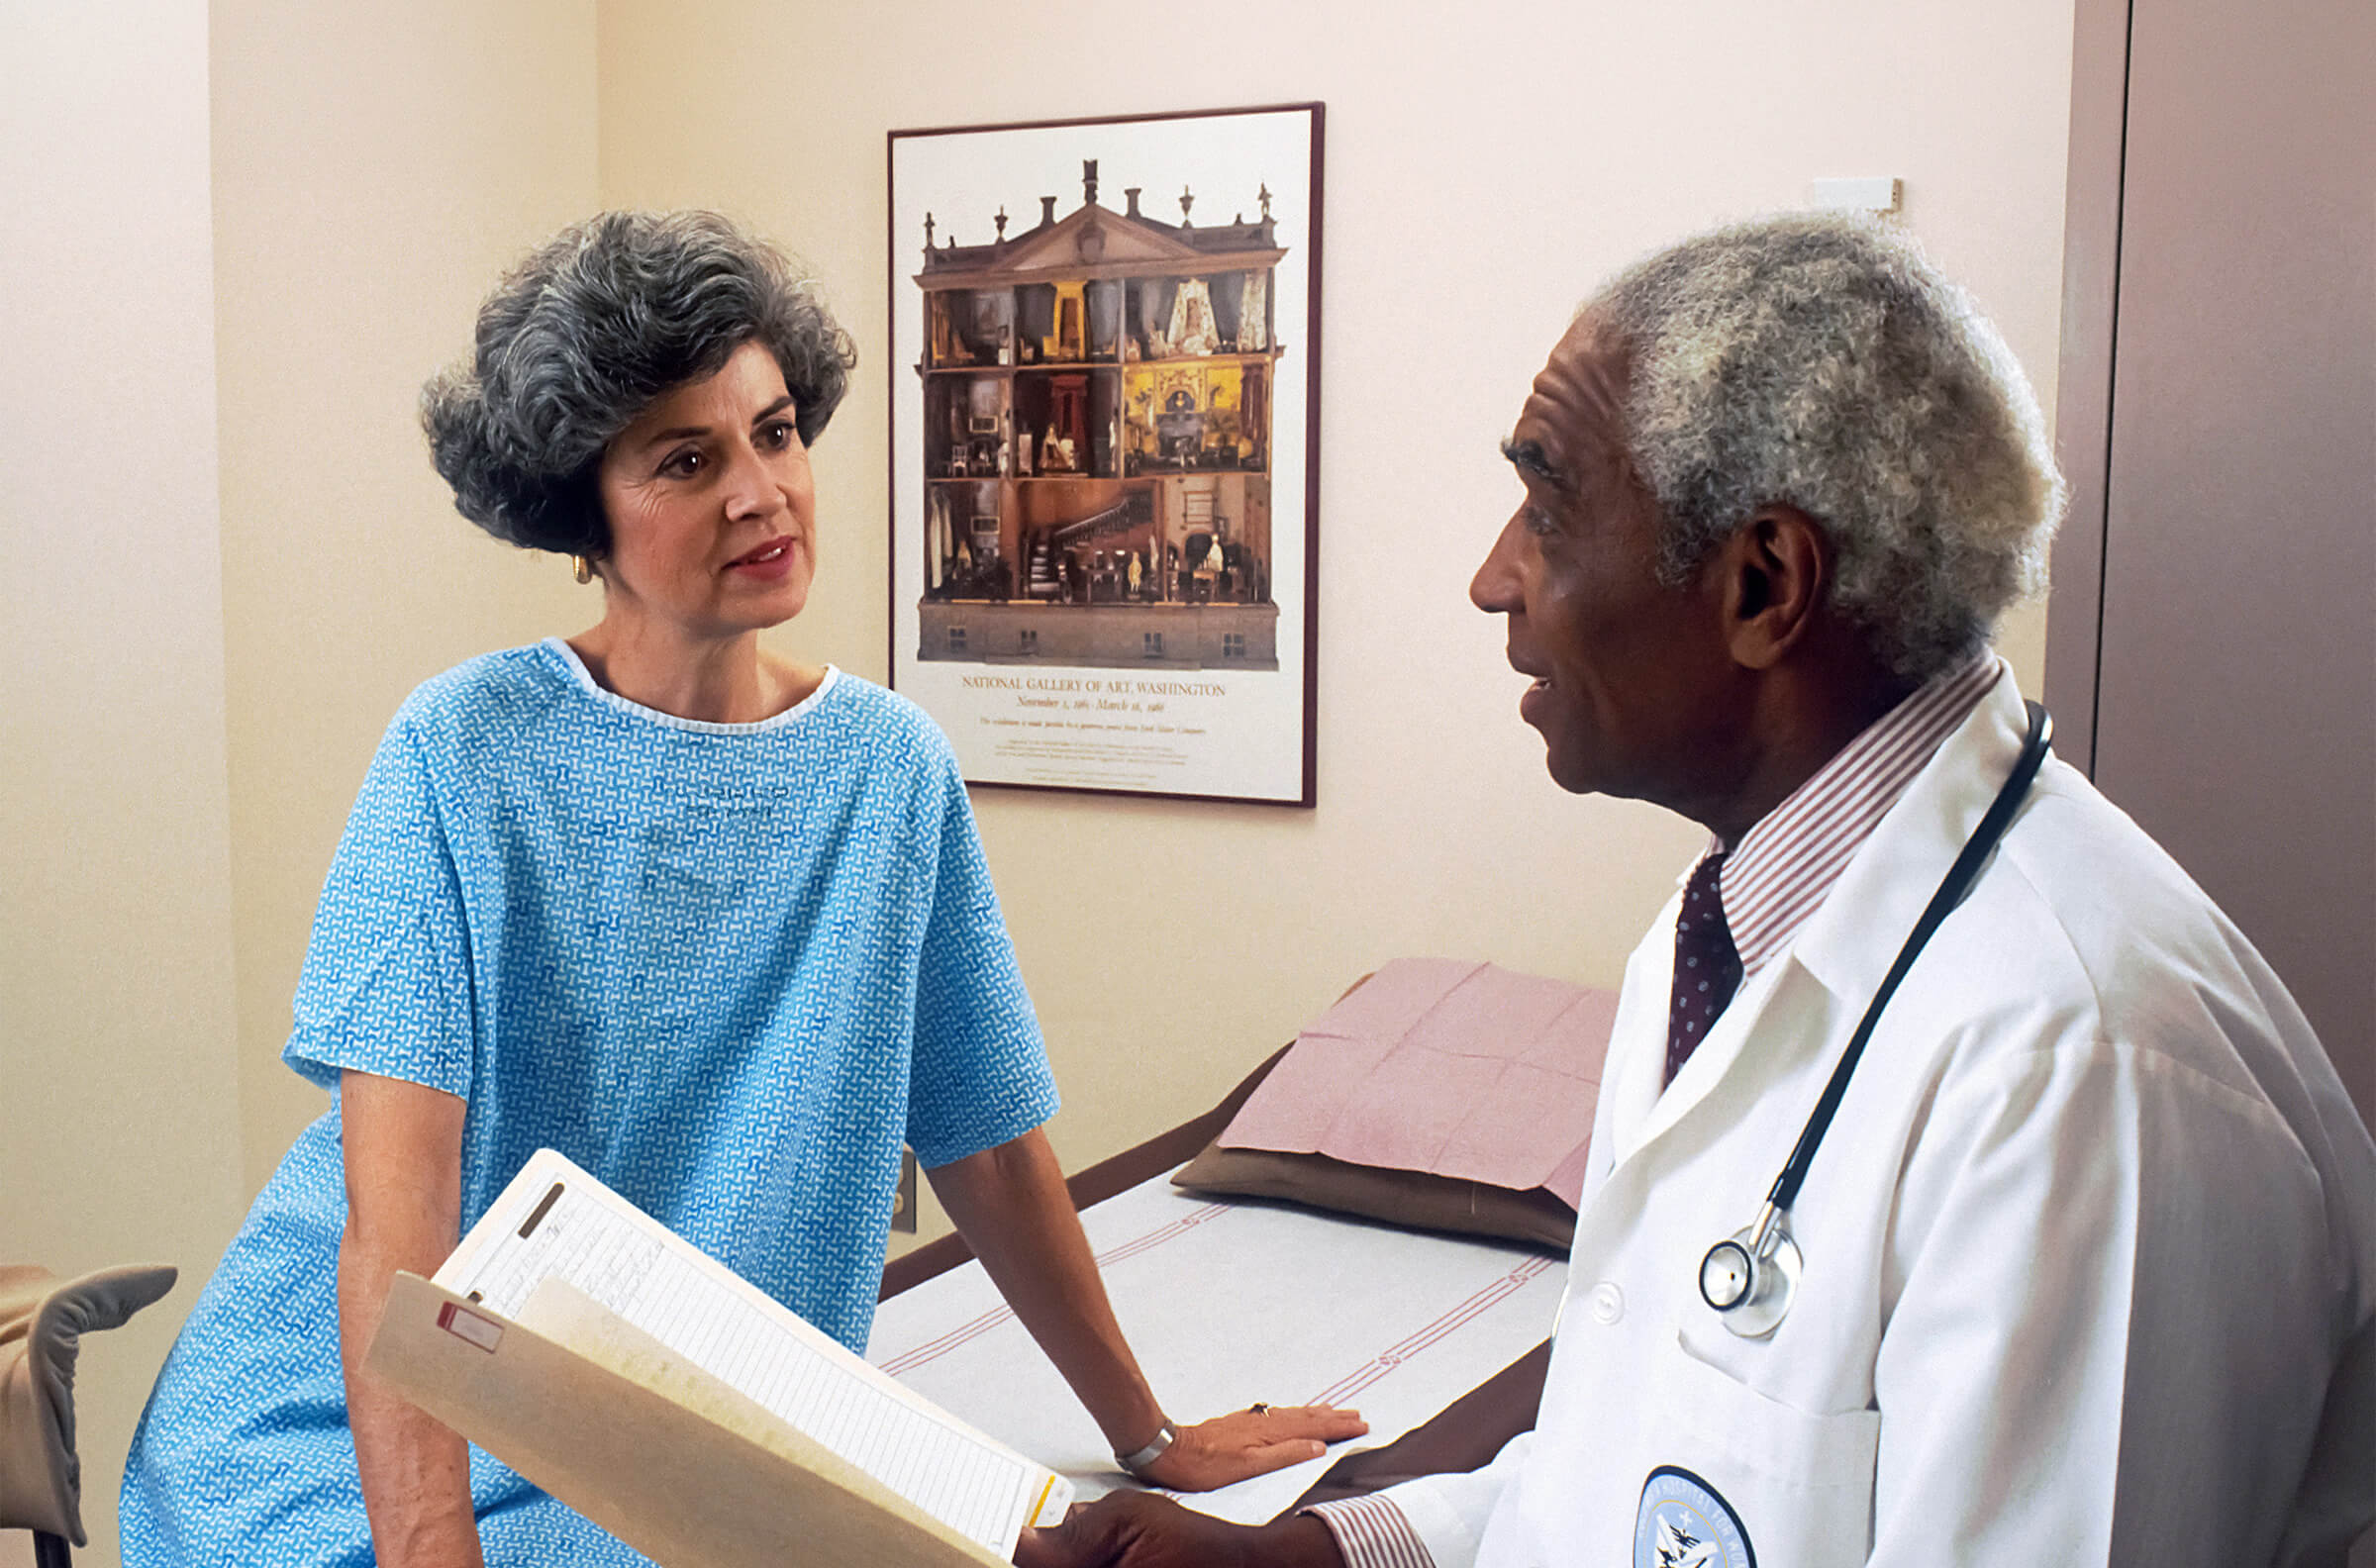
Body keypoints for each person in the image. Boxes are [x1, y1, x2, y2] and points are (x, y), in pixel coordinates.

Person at [1019, 215, 2376, 1567]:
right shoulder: (1721, 926)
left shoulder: (2084, 1076)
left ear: (1763, 584)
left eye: (1549, 508)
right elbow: (1636, 1475)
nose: (1494, 576)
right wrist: (1308, 1558)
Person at [119, 211, 1358, 1568]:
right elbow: (393, 1217)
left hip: (667, 1443)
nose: (761, 493)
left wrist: (1147, 1434)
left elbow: (989, 1144)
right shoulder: (459, 751)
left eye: (774, 433)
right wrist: (429, 1555)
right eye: (687, 459)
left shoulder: (890, 773)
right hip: (347, 1440)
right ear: (580, 512)